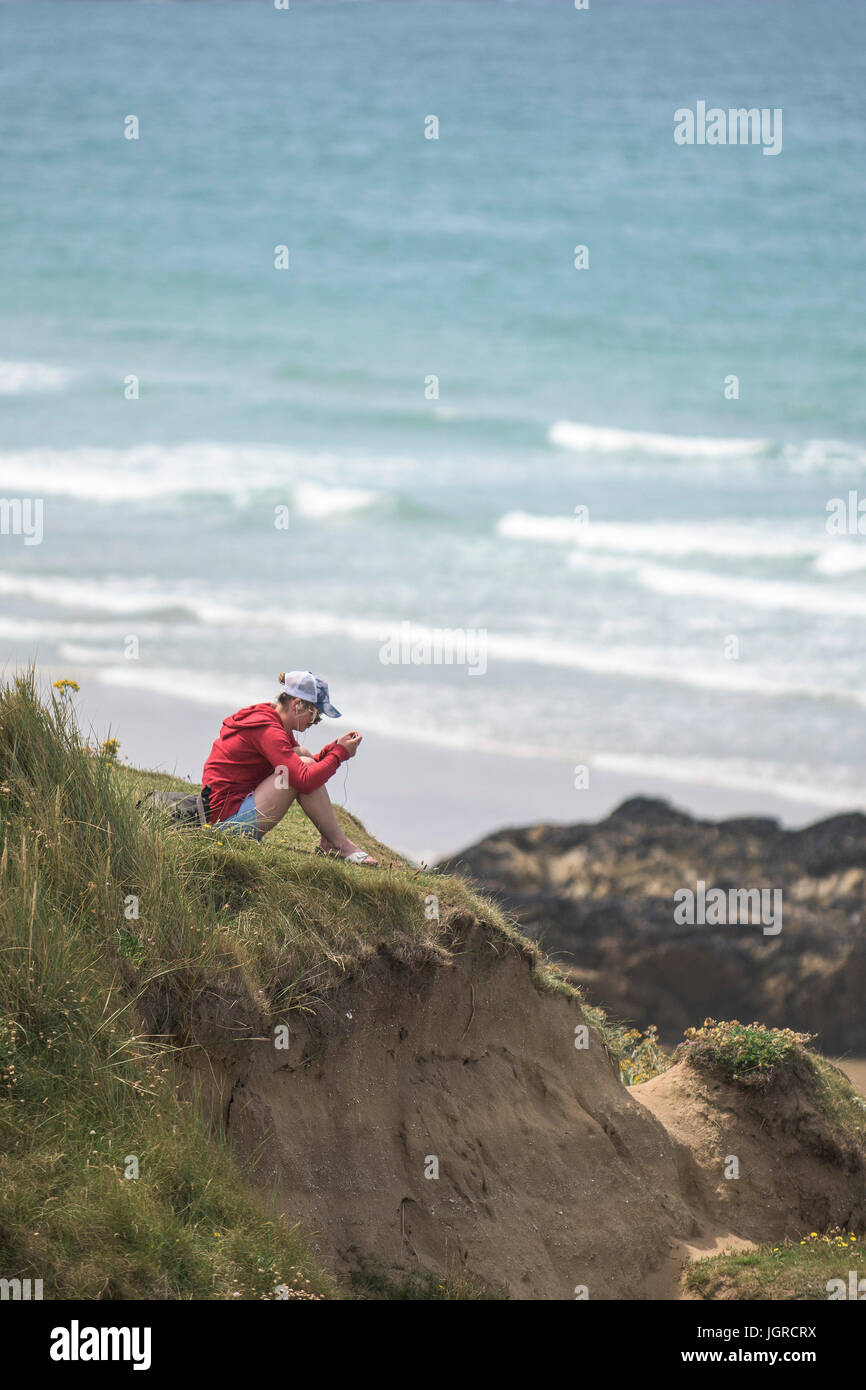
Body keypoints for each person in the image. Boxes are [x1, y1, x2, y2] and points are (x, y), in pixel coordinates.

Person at [201, 670, 378, 866]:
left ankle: (333, 842)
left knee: (302, 755)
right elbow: (303, 779)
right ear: (297, 705)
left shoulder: (272, 717)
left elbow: (297, 765)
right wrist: (340, 754)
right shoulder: (268, 730)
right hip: (227, 825)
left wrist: (333, 748)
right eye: (315, 715)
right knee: (304, 765)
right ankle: (338, 843)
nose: (316, 722)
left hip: (231, 810)